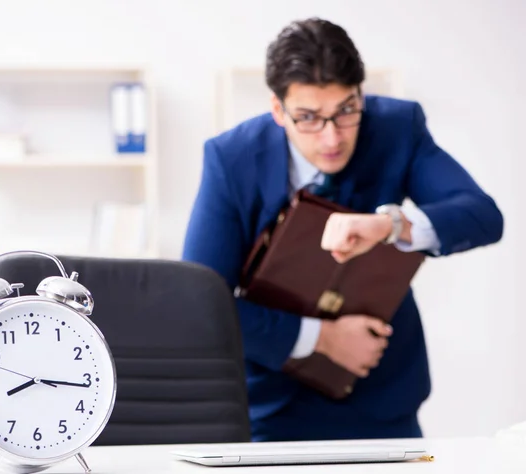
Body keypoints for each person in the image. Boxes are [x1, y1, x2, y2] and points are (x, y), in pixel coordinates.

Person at [182, 17, 504, 441]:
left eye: (346, 111)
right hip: (274, 406)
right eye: (309, 118)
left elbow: (482, 216)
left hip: (385, 396)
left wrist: (390, 224)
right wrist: (321, 338)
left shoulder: (397, 127)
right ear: (278, 110)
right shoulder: (231, 158)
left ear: (360, 94)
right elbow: (202, 303)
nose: (332, 138)